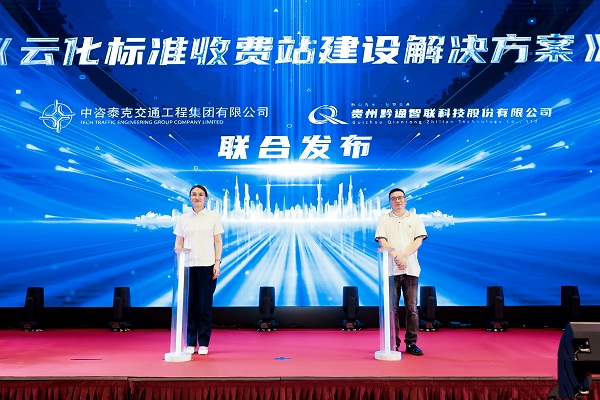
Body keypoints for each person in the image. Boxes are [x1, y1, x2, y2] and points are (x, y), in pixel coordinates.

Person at [375, 188, 427, 356]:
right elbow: (382, 240)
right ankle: (393, 344)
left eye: (400, 198)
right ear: (390, 201)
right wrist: (397, 256)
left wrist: (404, 256)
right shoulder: (384, 219)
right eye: (393, 198)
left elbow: (418, 240)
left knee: (412, 308)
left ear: (405, 200)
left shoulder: (415, 218)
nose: (397, 200)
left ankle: (411, 343)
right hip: (390, 270)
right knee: (392, 310)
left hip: (411, 269)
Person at [173, 184, 224, 356]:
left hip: (207, 265)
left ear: (206, 198)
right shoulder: (183, 218)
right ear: (190, 197)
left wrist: (217, 262)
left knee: (205, 306)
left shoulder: (213, 217)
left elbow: (218, 242)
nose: (197, 197)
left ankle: (203, 342)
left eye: (200, 195)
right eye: (194, 194)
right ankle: (190, 342)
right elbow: (179, 241)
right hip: (188, 266)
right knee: (190, 306)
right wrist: (179, 255)